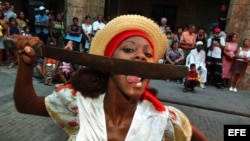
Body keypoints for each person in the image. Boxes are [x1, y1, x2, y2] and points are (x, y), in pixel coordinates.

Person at [10, 15, 207, 141]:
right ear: (108, 63)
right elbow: (25, 104)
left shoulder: (164, 120)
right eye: (129, 49)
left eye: (148, 55)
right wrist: (26, 65)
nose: (140, 56)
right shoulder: (78, 105)